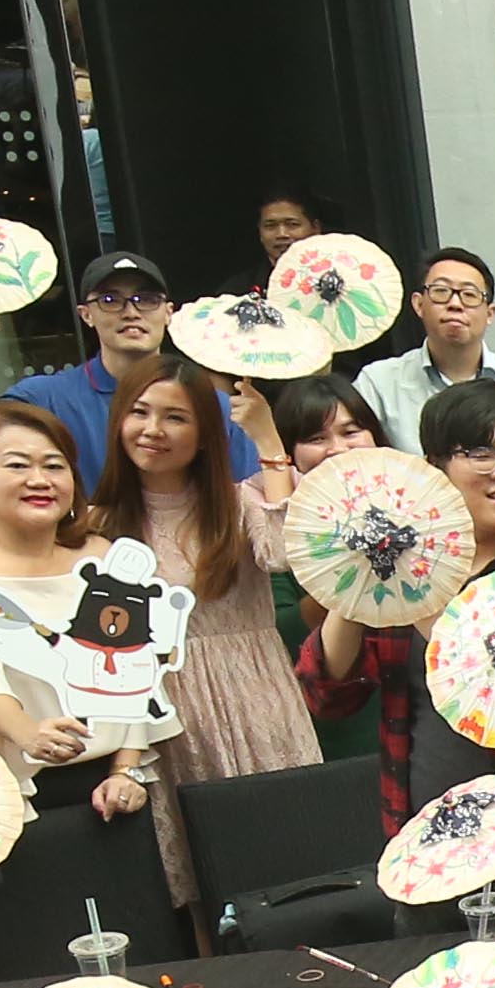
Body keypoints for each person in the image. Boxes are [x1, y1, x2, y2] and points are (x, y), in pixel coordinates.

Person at [301, 383, 495, 950]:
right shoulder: (401, 567)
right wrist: (351, 584)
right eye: (481, 453)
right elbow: (327, 696)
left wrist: (419, 596)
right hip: (429, 851)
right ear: (434, 470)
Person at [93, 362, 323, 861]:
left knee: (285, 851)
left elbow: (285, 555)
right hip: (159, 712)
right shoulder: (98, 524)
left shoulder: (241, 501)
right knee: (193, 865)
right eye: (139, 412)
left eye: (175, 417)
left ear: (202, 435)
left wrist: (267, 439)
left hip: (253, 692)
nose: (153, 430)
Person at [0, 402, 162, 832]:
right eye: (17, 465)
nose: (40, 480)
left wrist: (126, 770)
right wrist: (29, 734)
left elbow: (138, 672)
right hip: (12, 788)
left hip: (112, 786)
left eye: (54, 466)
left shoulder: (105, 560)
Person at [0, 245, 185, 480]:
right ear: (86, 315)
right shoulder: (47, 398)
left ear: (168, 312)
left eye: (148, 299)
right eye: (110, 300)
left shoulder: (201, 400)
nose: (131, 312)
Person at [354, 247, 495, 457]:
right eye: (441, 291)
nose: (455, 303)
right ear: (419, 304)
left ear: (490, 313)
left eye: (470, 295)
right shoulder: (378, 385)